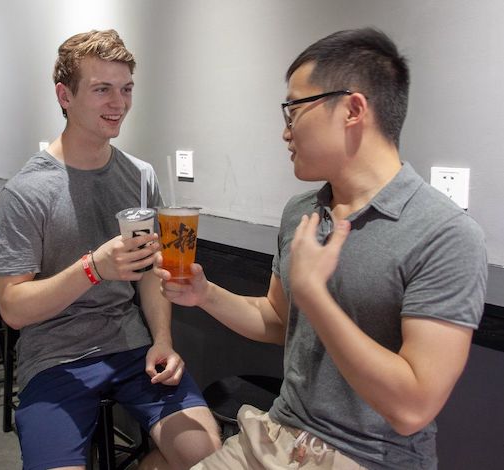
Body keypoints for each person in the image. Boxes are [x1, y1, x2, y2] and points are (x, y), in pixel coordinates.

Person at [155, 28, 487, 469]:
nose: (284, 131)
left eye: (294, 109)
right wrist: (205, 295)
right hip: (275, 435)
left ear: (352, 109)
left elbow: (412, 409)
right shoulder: (303, 212)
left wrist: (315, 295)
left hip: (367, 458)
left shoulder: (444, 233)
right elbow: (277, 319)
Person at [0, 29, 221, 470]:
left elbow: (151, 270)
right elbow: (13, 309)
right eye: (101, 90)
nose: (119, 103)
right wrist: (94, 267)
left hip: (133, 346)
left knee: (207, 457)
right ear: (65, 95)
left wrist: (164, 341)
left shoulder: (140, 174)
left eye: (126, 89)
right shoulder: (26, 191)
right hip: (54, 356)